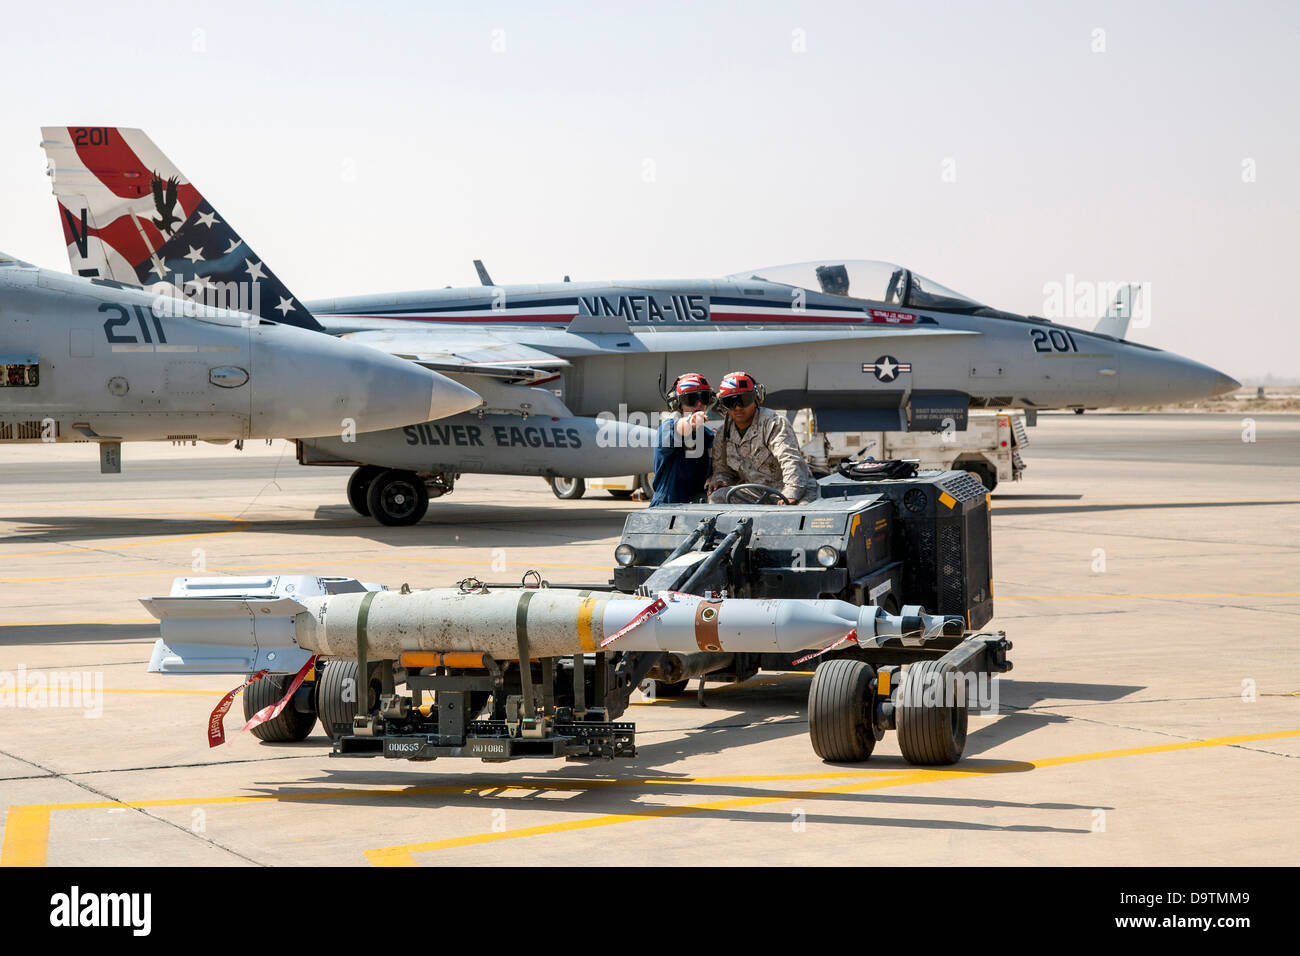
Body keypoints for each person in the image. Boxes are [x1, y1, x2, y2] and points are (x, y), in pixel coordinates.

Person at [706, 371, 819, 505]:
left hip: (795, 489)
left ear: (756, 399)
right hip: (756, 492)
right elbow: (722, 470)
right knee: (717, 497)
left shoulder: (774, 423)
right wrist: (719, 480)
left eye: (743, 400)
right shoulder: (723, 433)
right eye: (730, 401)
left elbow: (790, 460)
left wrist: (791, 494)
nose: (737, 407)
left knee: (800, 517)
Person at [649, 372, 715, 506]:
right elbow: (678, 429)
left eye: (704, 397)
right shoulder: (667, 428)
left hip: (696, 506)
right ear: (678, 404)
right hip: (667, 506)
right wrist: (691, 421)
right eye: (691, 399)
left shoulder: (707, 436)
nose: (699, 404)